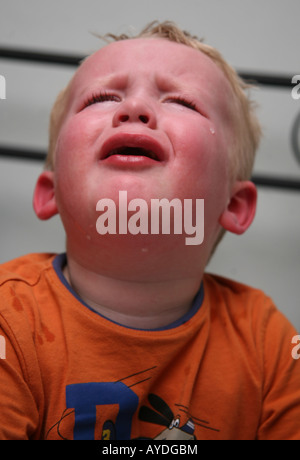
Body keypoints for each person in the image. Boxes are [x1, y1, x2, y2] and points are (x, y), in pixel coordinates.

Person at [0, 21, 299, 440]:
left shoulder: (268, 345)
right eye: (101, 98)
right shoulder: (8, 319)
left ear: (233, 205)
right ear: (51, 192)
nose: (134, 110)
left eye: (182, 102)